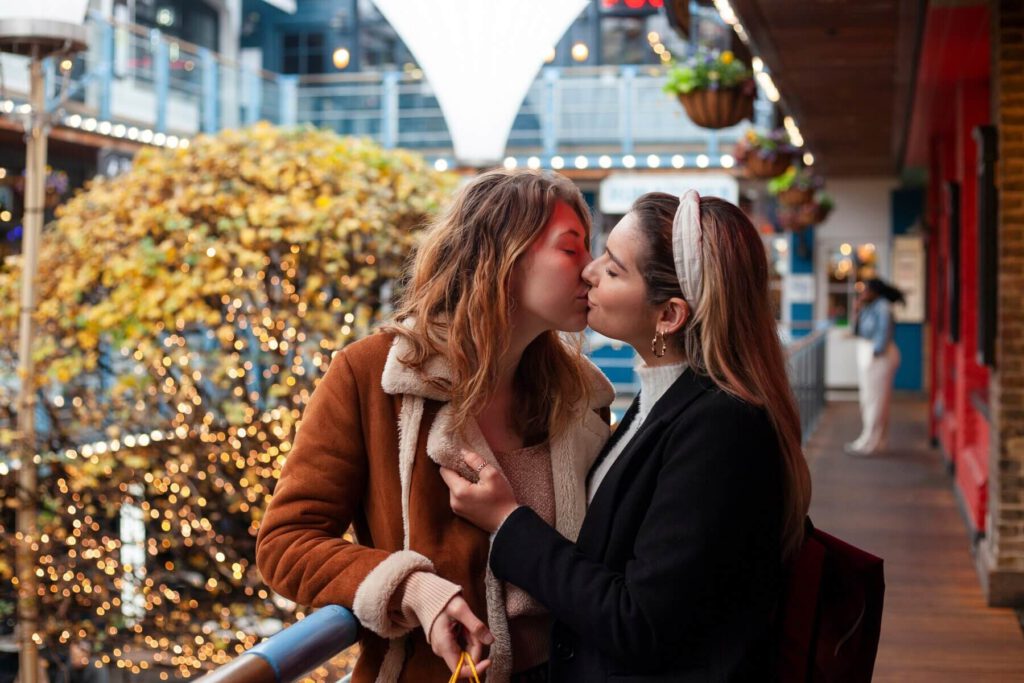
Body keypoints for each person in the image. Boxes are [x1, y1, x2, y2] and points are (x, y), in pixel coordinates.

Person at [255, 168, 614, 683]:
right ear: (504, 257)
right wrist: (412, 588)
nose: (591, 270)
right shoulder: (372, 375)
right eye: (571, 248)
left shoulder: (583, 397)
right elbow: (285, 543)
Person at [442, 190, 813, 681]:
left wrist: (508, 521)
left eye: (614, 270)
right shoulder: (666, 399)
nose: (589, 272)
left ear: (669, 316)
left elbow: (640, 623)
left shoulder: (723, 426)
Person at [845, 278, 904, 456]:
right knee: (871, 399)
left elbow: (884, 332)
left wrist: (875, 353)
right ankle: (876, 439)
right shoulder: (869, 307)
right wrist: (856, 311)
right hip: (869, 353)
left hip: (878, 356)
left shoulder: (883, 306)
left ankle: (870, 440)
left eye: (866, 290)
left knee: (874, 400)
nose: (863, 294)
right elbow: (857, 331)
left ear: (875, 291)